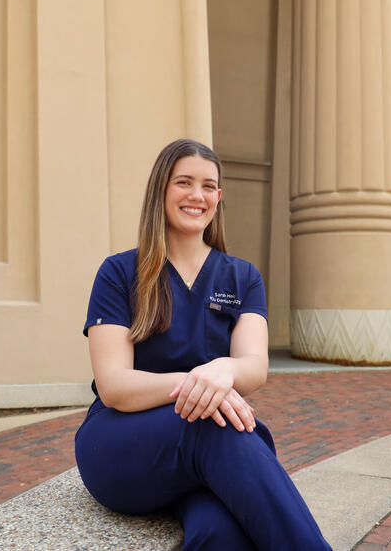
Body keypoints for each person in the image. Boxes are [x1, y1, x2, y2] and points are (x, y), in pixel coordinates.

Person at [75, 139, 332, 550]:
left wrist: (223, 370)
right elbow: (114, 385)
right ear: (161, 190)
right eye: (184, 182)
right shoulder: (119, 272)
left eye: (209, 186)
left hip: (202, 453)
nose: (198, 195)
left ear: (219, 197)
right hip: (120, 444)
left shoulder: (242, 277)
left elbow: (254, 366)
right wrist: (198, 382)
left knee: (221, 534)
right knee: (214, 424)